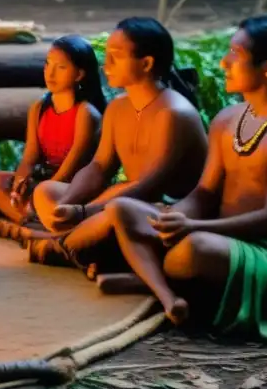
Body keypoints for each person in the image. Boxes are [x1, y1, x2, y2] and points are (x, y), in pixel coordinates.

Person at [101, 15, 267, 332]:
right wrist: (174, 217)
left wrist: (194, 227)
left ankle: (150, 280)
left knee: (193, 250)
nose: (223, 62)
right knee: (122, 208)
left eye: (236, 54)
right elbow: (205, 193)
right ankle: (164, 284)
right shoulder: (227, 120)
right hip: (211, 231)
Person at [27, 17, 208, 267]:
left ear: (146, 63)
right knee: (46, 191)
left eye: (116, 56)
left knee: (118, 208)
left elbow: (150, 185)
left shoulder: (174, 113)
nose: (107, 64)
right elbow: (99, 167)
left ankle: (70, 244)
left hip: (163, 210)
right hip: (121, 200)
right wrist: (68, 202)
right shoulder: (118, 107)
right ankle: (81, 243)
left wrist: (85, 212)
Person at [0, 35, 105, 240]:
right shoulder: (39, 109)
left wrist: (42, 189)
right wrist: (20, 183)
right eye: (48, 64)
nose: (51, 72)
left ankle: (34, 224)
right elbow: (30, 156)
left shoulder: (86, 113)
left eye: (61, 67)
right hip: (44, 179)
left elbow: (73, 165)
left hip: (70, 186)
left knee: (46, 194)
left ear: (79, 74)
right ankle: (27, 223)